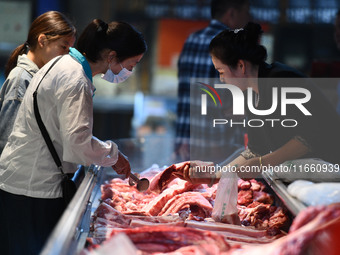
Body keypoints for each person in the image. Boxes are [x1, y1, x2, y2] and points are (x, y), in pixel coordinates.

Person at [0, 19, 147, 255]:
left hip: (22, 182)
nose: (129, 72)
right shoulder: (76, 79)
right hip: (33, 188)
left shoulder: (63, 64)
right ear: (112, 57)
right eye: (131, 64)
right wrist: (114, 155)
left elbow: (68, 131)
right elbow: (77, 144)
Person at [176, 22, 340, 184]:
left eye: (222, 72)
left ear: (241, 66)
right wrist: (216, 176)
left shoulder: (280, 80)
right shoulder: (250, 94)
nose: (221, 80)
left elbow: (310, 137)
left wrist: (263, 163)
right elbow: (255, 150)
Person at [175, 0, 250, 162]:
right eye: (246, 13)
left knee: (185, 187)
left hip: (185, 144)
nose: (248, 19)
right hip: (220, 150)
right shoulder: (234, 45)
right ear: (231, 14)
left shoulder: (192, 39)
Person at [0, 11, 76, 155]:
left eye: (69, 50)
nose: (66, 56)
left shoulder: (40, 78)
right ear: (42, 41)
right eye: (63, 47)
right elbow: (6, 142)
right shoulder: (21, 79)